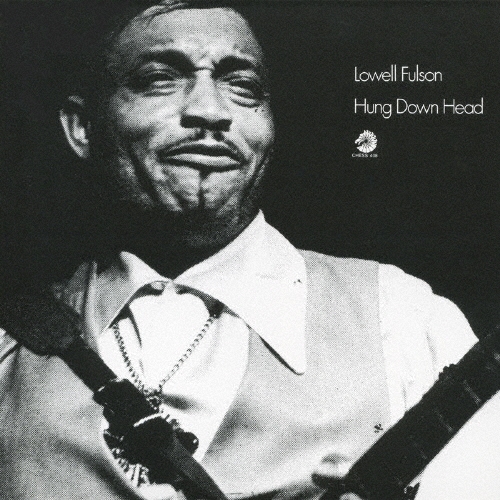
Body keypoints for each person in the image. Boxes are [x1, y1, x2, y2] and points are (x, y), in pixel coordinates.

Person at [0, 1, 477, 499]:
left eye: (243, 86)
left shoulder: (404, 321)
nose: (210, 111)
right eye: (160, 79)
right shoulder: (8, 345)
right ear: (82, 127)